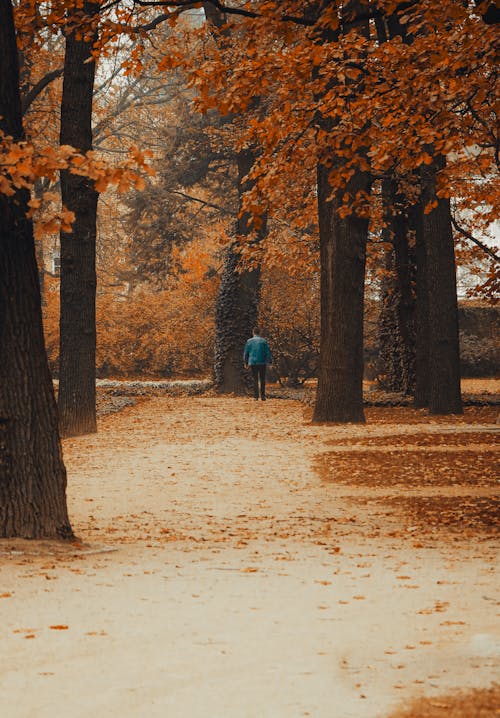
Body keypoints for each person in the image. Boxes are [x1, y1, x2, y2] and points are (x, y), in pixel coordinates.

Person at [243, 327, 273, 401]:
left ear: (253, 332)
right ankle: (263, 396)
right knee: (262, 379)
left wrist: (245, 362)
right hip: (262, 362)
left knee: (255, 379)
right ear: (260, 332)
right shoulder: (264, 341)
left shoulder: (249, 341)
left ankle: (255, 396)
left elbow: (246, 353)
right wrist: (270, 362)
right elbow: (267, 352)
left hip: (253, 362)